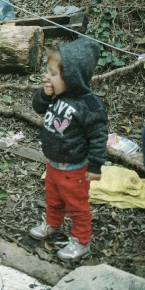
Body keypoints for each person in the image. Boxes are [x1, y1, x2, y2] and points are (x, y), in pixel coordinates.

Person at [30, 39, 108, 261]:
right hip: (53, 164)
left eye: (53, 74)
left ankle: (82, 241)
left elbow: (99, 137)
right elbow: (37, 108)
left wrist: (95, 165)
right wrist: (45, 94)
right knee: (53, 199)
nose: (47, 77)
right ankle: (53, 225)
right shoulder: (56, 94)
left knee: (77, 206)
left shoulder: (90, 106)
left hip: (74, 170)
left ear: (72, 76)